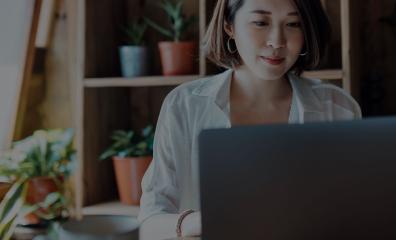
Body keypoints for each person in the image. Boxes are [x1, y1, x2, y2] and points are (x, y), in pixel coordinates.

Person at [138, 0, 362, 239]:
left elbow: (359, 213)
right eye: (260, 22)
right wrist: (196, 222)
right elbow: (149, 222)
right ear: (229, 26)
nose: (277, 41)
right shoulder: (184, 105)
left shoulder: (338, 109)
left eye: (293, 23)